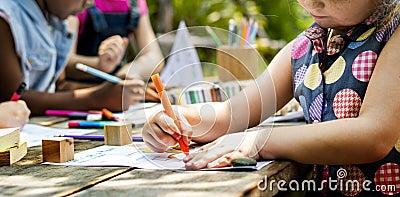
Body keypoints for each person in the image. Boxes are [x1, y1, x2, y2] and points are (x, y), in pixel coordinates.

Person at [142, 0, 400, 195]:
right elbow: (232, 114)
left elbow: (373, 134)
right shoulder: (304, 48)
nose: (311, 2)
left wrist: (259, 141)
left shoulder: (394, 36)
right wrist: (179, 119)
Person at [0, 0, 144, 115]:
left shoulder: (52, 18)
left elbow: (59, 86)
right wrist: (96, 98)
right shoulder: (6, 16)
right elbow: (14, 98)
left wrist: (116, 93)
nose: (90, 3)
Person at [62, 0, 164, 101]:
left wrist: (127, 74)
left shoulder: (135, 2)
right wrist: (99, 65)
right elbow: (64, 62)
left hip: (118, 93)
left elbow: (154, 56)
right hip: (81, 93)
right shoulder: (77, 3)